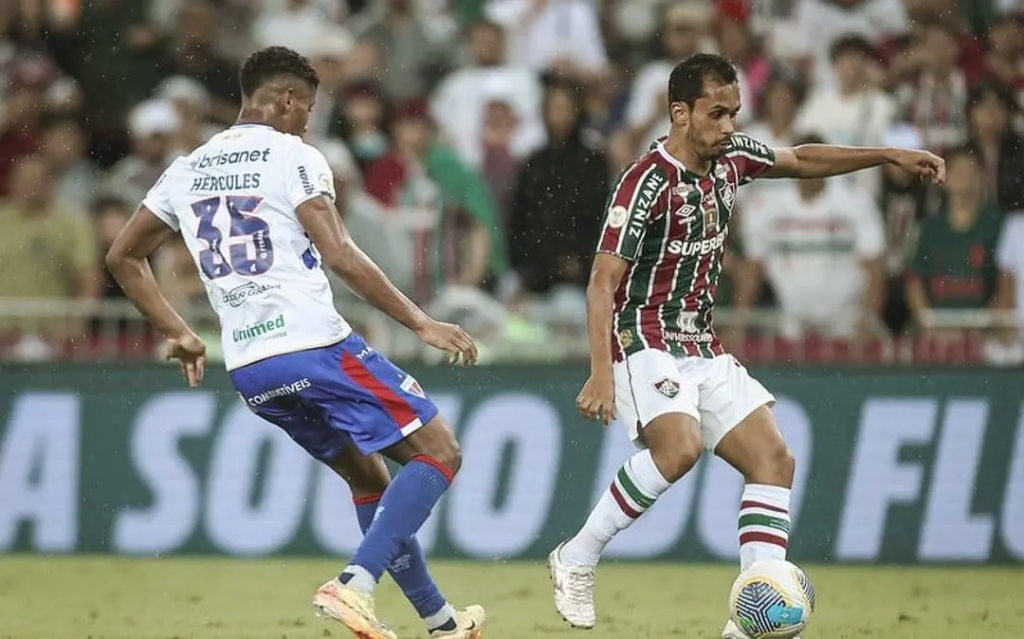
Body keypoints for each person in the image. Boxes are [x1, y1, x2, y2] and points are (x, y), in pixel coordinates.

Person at [547, 53, 944, 638]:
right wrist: (601, 373)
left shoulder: (731, 159)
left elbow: (801, 159)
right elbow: (603, 281)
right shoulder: (645, 181)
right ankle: (577, 556)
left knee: (773, 459)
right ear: (680, 113)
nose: (729, 125)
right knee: (678, 449)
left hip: (702, 345)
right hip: (643, 337)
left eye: (734, 112)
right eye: (717, 113)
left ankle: (752, 619)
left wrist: (887, 154)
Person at [105, 46, 485, 639]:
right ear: (285, 100)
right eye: (306, 107)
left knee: (368, 480)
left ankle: (441, 625)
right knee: (441, 451)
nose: (308, 121)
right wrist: (421, 322)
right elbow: (340, 254)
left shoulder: (187, 168)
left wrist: (178, 331)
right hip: (313, 345)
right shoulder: (293, 155)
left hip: (251, 368)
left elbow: (123, 257)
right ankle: (355, 583)